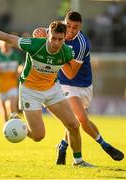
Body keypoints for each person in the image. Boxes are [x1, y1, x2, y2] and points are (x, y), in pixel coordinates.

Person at [0, 16, 93, 167]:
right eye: (53, 38)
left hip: (52, 89)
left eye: (60, 39)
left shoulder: (67, 52)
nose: (56, 43)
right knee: (39, 136)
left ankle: (78, 161)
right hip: (30, 91)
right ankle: (18, 123)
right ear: (47, 36)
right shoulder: (33, 44)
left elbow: (75, 70)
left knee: (73, 124)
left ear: (64, 39)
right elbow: (7, 37)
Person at [33, 11, 124, 165]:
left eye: (75, 27)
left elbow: (70, 73)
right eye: (68, 25)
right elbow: (42, 33)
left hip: (83, 85)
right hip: (65, 85)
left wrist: (58, 49)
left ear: (80, 27)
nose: (70, 30)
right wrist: (37, 33)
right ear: (64, 22)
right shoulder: (57, 32)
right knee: (81, 118)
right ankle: (105, 146)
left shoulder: (82, 44)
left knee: (73, 121)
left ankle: (62, 147)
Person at [0, 40, 23, 124]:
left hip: (12, 85)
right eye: (3, 45)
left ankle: (17, 125)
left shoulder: (16, 55)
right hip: (0, 86)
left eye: (7, 44)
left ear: (10, 45)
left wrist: (20, 69)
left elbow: (22, 65)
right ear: (0, 45)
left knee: (11, 105)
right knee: (3, 112)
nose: (5, 46)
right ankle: (6, 130)